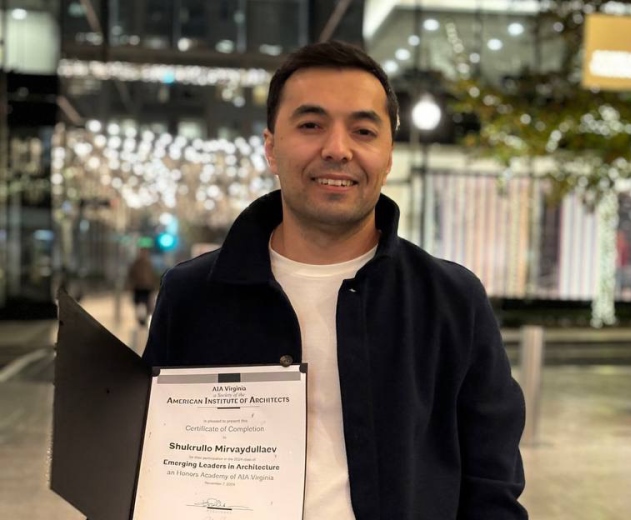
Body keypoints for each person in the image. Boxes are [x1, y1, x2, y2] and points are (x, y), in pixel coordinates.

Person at [143, 40, 527, 519]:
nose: (337, 150)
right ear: (271, 148)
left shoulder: (450, 300)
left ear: (388, 156)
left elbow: (492, 487)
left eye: (363, 131)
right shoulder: (193, 296)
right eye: (311, 125)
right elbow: (148, 463)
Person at [126, 247, 158, 326]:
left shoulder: (149, 263)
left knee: (148, 305)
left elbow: (153, 276)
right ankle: (140, 320)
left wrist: (154, 287)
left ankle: (146, 320)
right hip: (138, 288)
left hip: (148, 288)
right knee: (138, 305)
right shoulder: (135, 264)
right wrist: (131, 285)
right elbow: (131, 275)